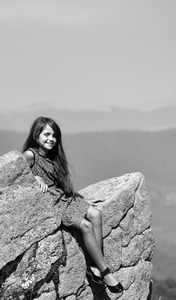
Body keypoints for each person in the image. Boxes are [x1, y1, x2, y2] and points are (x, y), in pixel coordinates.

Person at [22, 116, 124, 294]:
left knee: (96, 214)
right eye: (46, 134)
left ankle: (94, 267)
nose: (51, 139)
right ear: (36, 134)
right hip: (52, 203)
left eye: (54, 135)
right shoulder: (31, 155)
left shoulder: (53, 155)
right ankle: (106, 272)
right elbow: (16, 172)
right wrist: (35, 177)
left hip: (64, 196)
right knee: (85, 225)